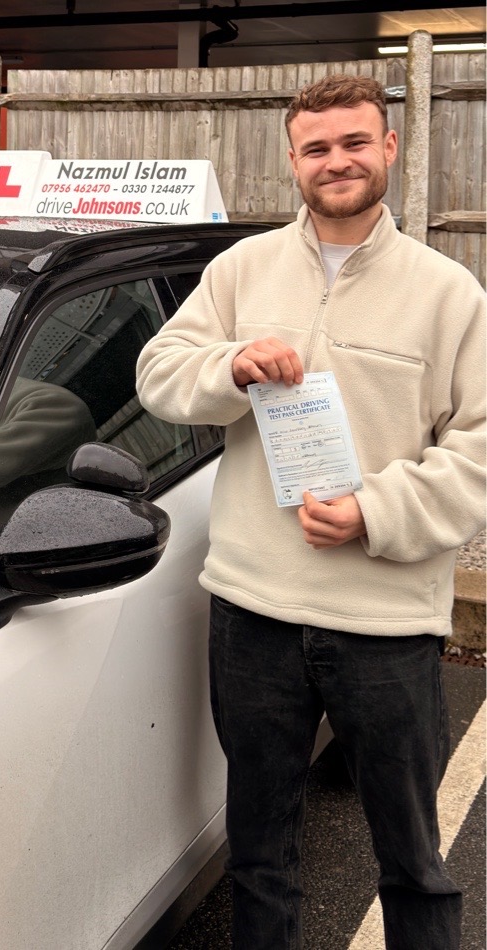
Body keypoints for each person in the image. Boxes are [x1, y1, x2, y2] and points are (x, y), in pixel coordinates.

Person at [136, 74, 485, 950]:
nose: (338, 161)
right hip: (252, 610)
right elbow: (157, 373)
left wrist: (376, 511)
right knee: (259, 853)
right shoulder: (241, 271)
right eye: (318, 147)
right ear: (292, 159)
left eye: (356, 142)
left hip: (384, 621)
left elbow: (479, 447)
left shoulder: (450, 294)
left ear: (391, 147)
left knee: (412, 859)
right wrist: (230, 368)